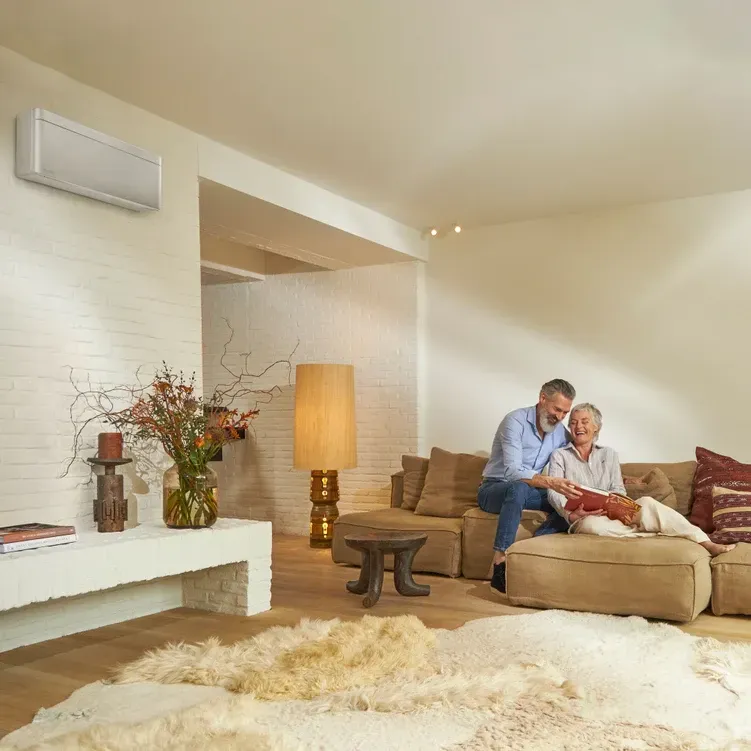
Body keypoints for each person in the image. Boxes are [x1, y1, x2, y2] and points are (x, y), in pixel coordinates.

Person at [546, 402, 735, 556]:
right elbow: (553, 492)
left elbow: (617, 487)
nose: (578, 426)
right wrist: (570, 515)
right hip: (585, 518)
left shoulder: (609, 454)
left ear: (596, 427)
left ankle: (705, 542)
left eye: (584, 421)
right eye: (573, 422)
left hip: (614, 514)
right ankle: (659, 533)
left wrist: (616, 504)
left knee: (647, 503)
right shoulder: (560, 455)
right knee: (592, 525)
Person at [478, 379, 584, 594]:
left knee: (569, 501)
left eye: (565, 412)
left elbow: (577, 458)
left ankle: (535, 544)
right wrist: (551, 482)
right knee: (518, 488)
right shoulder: (514, 422)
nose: (560, 417)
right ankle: (500, 564)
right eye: (557, 409)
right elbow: (512, 472)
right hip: (494, 489)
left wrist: (621, 478)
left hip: (528, 491)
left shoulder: (560, 433)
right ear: (542, 398)